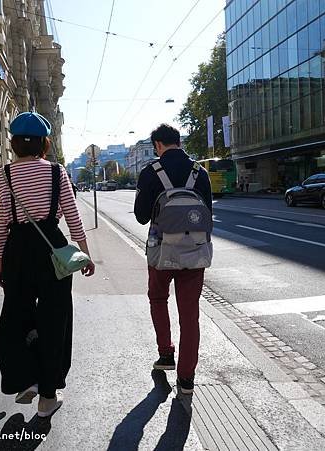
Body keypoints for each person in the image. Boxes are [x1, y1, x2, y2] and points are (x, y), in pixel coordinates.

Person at [0, 112, 95, 418]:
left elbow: (0, 226)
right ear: (44, 142)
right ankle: (48, 397)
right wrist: (84, 253)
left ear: (13, 144)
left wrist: (0, 263)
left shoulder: (2, 176)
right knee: (55, 322)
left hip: (18, 252)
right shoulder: (56, 172)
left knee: (15, 320)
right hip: (53, 251)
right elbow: (73, 217)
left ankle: (25, 379)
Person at [134, 123, 212, 395]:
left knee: (158, 299)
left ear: (157, 145)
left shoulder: (150, 172)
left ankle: (166, 354)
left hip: (161, 250)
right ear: (178, 142)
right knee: (190, 315)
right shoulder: (199, 172)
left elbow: (142, 216)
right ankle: (187, 378)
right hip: (194, 252)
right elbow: (208, 214)